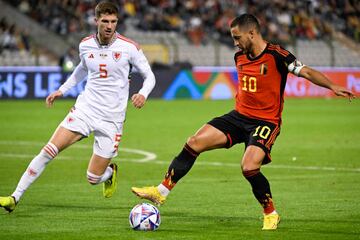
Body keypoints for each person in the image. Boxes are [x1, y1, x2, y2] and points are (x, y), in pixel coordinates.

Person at [131, 14, 355, 230]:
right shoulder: (239, 57)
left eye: (238, 37)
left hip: (265, 122)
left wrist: (332, 86)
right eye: (233, 38)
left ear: (252, 33)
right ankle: (161, 191)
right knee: (194, 142)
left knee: (249, 166)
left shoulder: (277, 54)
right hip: (239, 117)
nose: (235, 42)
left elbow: (305, 71)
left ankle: (270, 213)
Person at [0, 1, 156, 213]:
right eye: (105, 21)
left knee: (93, 178)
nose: (109, 26)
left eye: (113, 21)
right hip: (86, 109)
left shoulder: (130, 48)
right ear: (96, 21)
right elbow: (82, 69)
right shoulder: (85, 45)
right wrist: (62, 90)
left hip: (112, 119)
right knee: (49, 150)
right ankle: (14, 197)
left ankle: (109, 173)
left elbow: (150, 77)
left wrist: (143, 94)